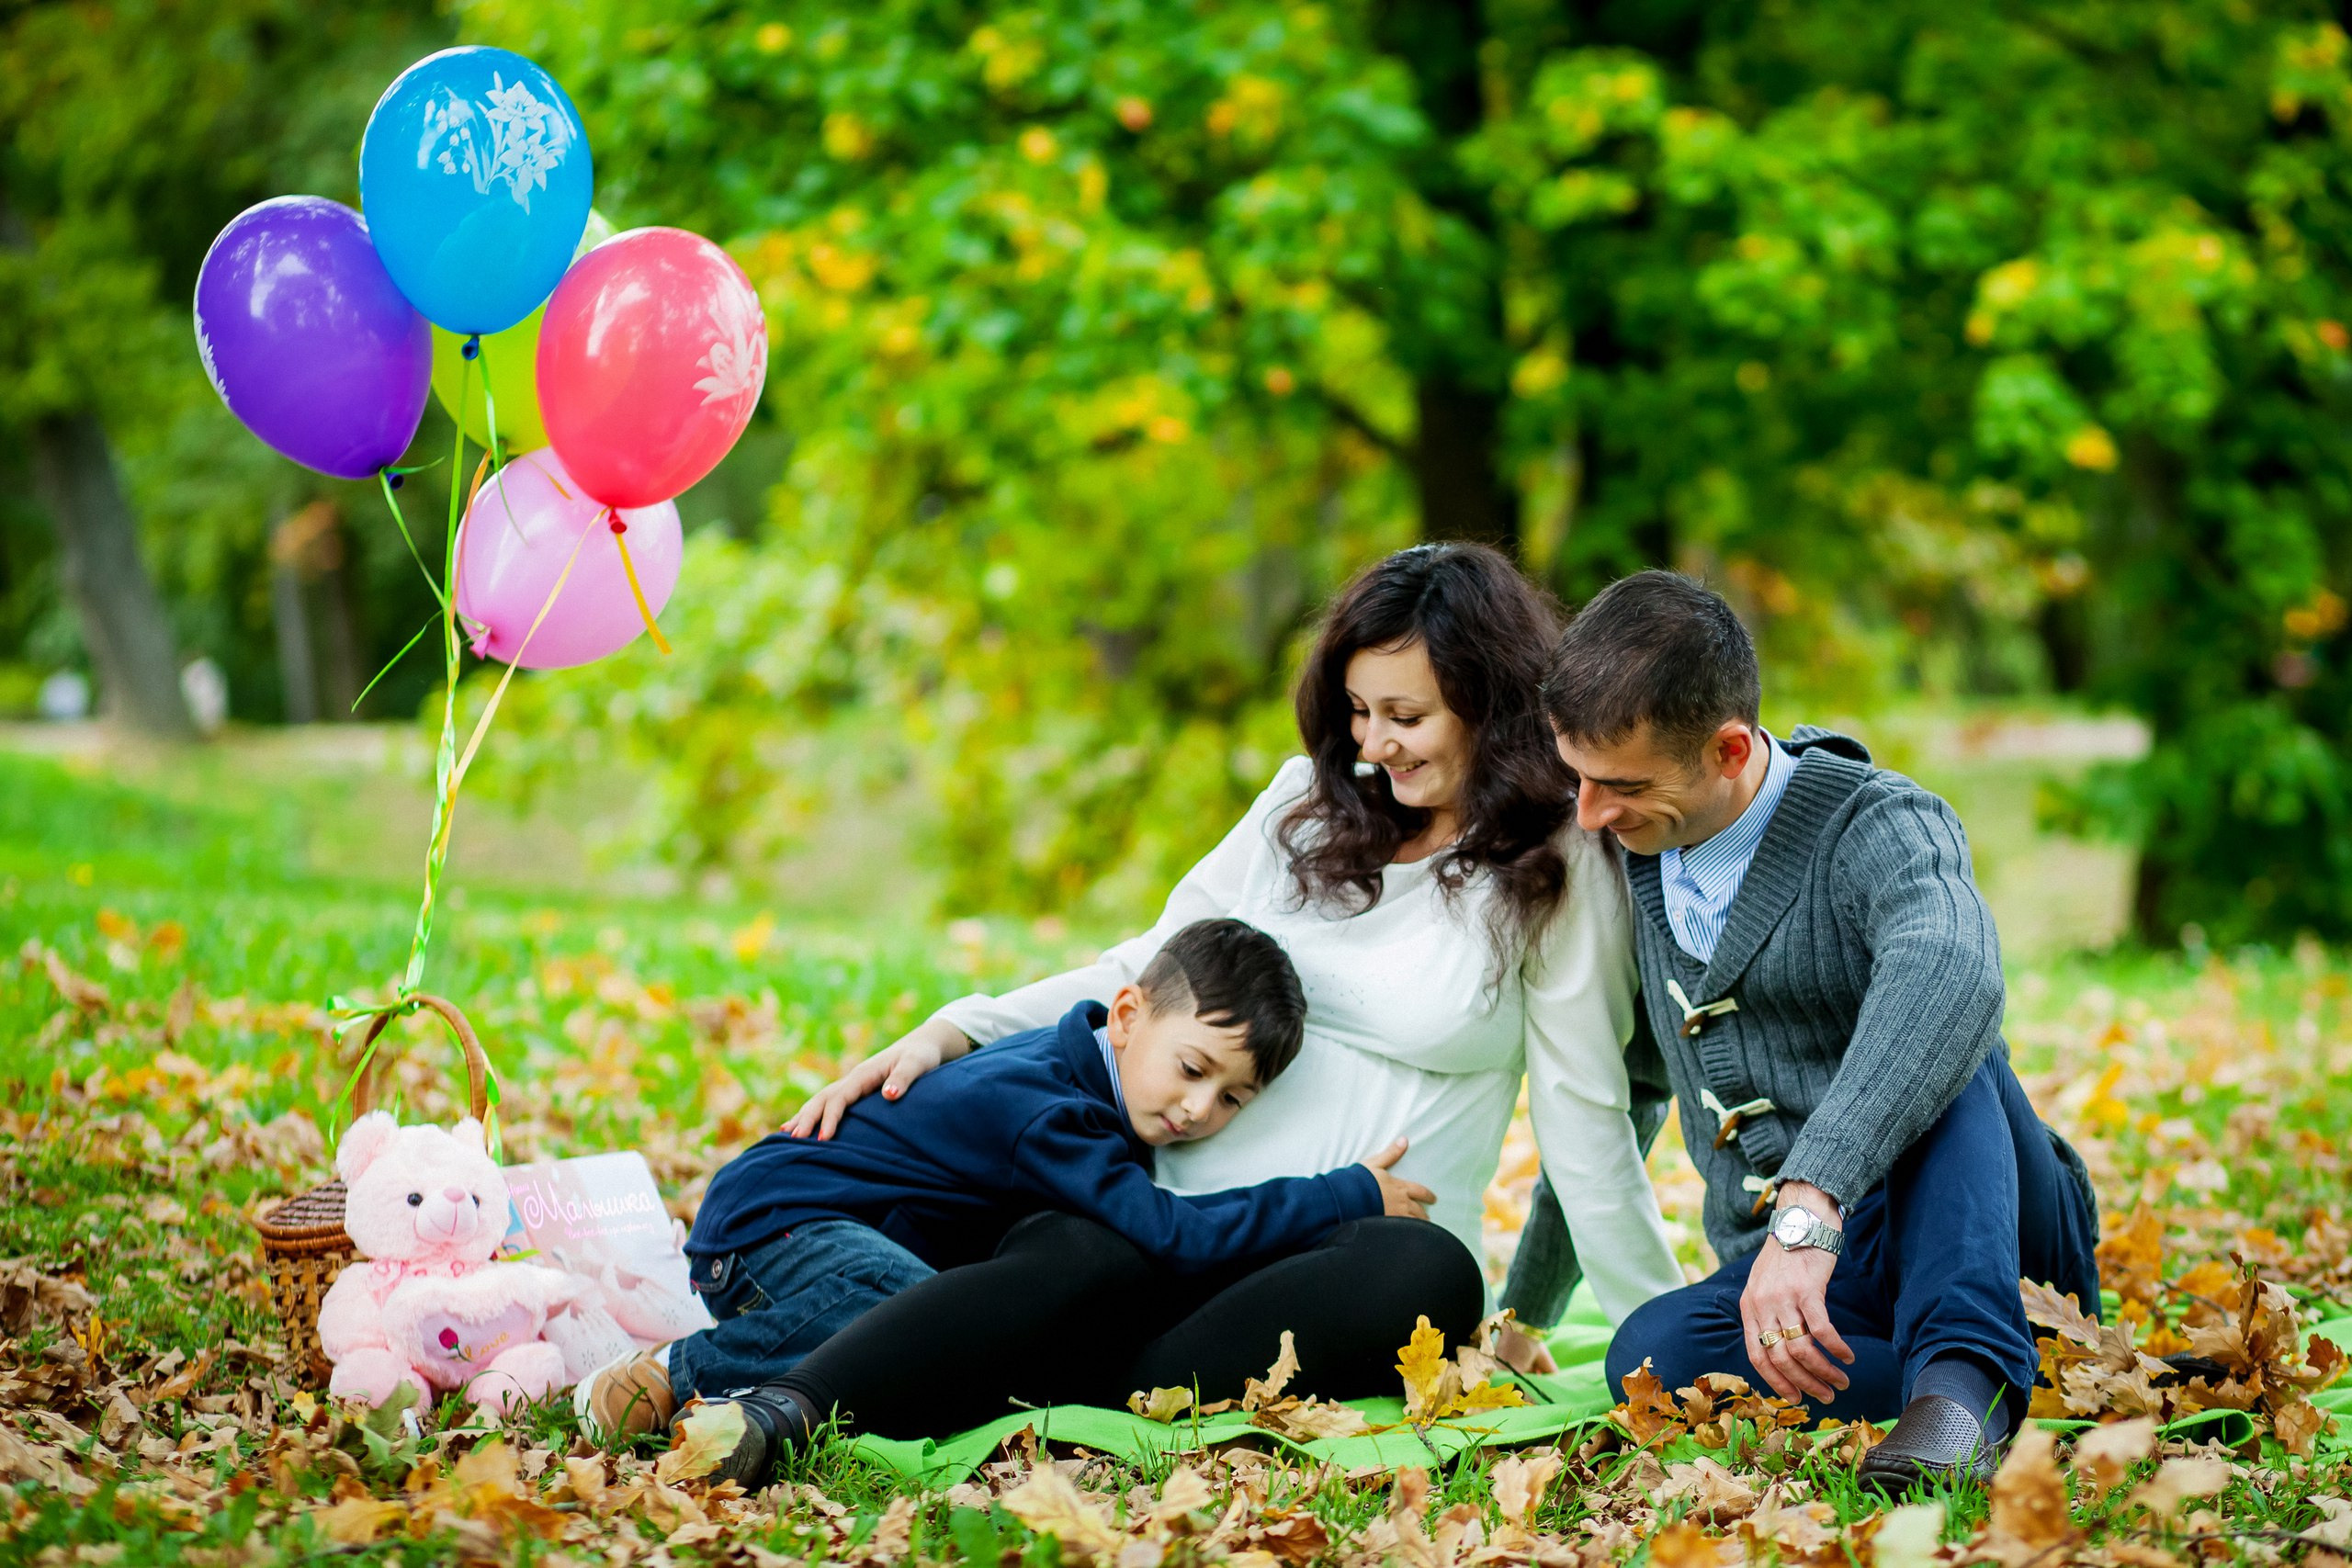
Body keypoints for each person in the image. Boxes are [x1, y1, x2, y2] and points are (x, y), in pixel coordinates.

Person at [764, 543, 1686, 1441]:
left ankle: (1062, 1377)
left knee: (1426, 1274)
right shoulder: (1302, 804)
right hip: (1163, 1227)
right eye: (1358, 710)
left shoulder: (1555, 861)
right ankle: (782, 1411)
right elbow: (1148, 970)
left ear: (1487, 703)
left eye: (1405, 715)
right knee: (1072, 1237)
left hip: (1332, 1268)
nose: (1372, 742)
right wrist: (956, 1028)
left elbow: (1584, 1115)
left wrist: (1661, 1345)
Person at [1511, 570, 2098, 1490]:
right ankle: (1981, 1379)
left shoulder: (1882, 822)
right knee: (1650, 1359)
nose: (1587, 814)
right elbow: (1613, 1093)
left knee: (1943, 1036)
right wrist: (1525, 1314)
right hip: (1820, 1286)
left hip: (1987, 1225)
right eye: (1576, 778)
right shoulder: (1639, 860)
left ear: (1730, 748)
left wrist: (1810, 1202)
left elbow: (1952, 971)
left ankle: (1965, 1388)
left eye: (1618, 785)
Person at [575, 918, 1435, 1468]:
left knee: (948, 1315)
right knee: (920, 1316)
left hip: (836, 1239)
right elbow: (1171, 1233)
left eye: (1232, 1098)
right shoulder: (1050, 1110)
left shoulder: (1098, 1097)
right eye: (1193, 1069)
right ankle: (679, 1370)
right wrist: (1342, 1192)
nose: (1198, 1108)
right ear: (1127, 1016)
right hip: (777, 1228)